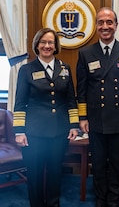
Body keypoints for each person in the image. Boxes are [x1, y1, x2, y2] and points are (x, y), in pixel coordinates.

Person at [76, 7, 119, 207]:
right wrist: (83, 117)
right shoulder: (86, 53)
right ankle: (100, 199)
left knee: (116, 164)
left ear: (116, 25)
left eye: (109, 22)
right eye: (101, 22)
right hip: (95, 120)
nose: (105, 26)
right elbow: (82, 88)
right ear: (96, 26)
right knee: (97, 163)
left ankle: (114, 200)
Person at [13, 28, 79, 207]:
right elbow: (19, 103)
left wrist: (74, 126)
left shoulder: (64, 68)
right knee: (34, 174)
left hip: (59, 132)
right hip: (33, 133)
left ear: (56, 45)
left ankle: (53, 204)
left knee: (55, 173)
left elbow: (71, 100)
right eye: (43, 42)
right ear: (37, 45)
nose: (47, 46)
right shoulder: (26, 70)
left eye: (51, 42)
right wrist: (19, 131)